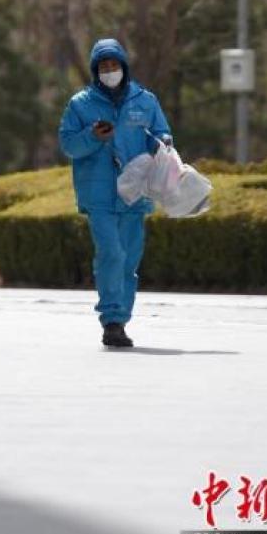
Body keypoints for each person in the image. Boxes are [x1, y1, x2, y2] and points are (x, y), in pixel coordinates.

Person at [58, 38, 173, 348]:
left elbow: (161, 132)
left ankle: (121, 320)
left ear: (124, 66)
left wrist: (162, 142)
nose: (110, 71)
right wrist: (92, 136)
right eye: (103, 66)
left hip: (136, 194)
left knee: (129, 260)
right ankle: (110, 319)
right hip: (99, 194)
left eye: (114, 65)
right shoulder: (80, 104)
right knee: (111, 253)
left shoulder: (145, 101)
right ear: (96, 71)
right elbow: (68, 144)